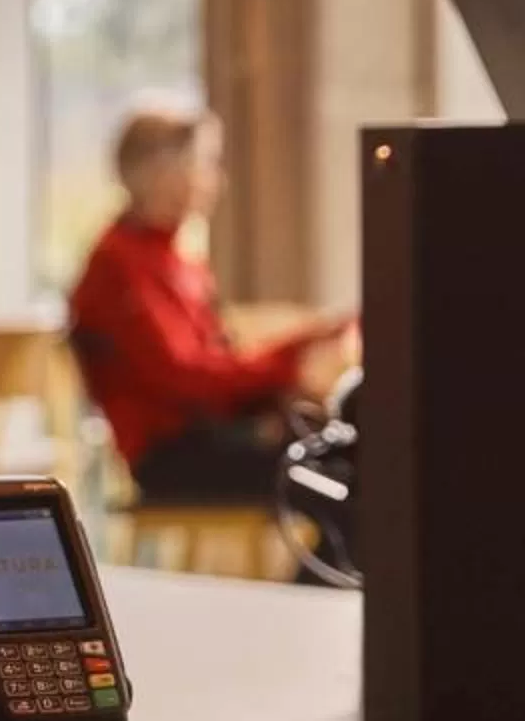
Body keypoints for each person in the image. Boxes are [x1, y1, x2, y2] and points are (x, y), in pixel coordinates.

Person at [68, 108, 354, 517]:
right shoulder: (121, 264)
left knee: (356, 457)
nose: (216, 181)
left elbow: (216, 361)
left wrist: (301, 347)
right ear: (163, 172)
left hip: (210, 434)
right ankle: (320, 582)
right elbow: (186, 379)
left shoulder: (174, 257)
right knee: (338, 480)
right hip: (172, 454)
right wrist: (289, 361)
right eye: (205, 163)